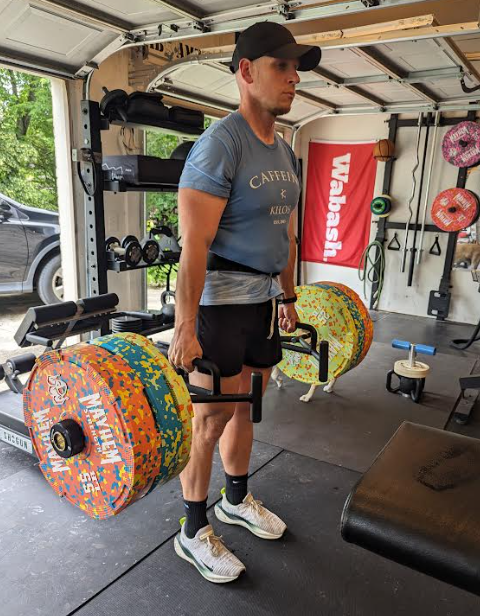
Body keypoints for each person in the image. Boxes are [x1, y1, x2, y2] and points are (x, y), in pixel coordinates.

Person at [168, 21, 321, 584]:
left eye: (296, 68)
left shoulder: (284, 149)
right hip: (219, 307)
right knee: (209, 419)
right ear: (247, 71)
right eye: (282, 66)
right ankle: (192, 530)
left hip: (262, 303)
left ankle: (235, 500)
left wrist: (288, 295)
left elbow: (286, 234)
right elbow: (194, 245)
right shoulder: (220, 144)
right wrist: (185, 325)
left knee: (246, 405)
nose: (294, 78)